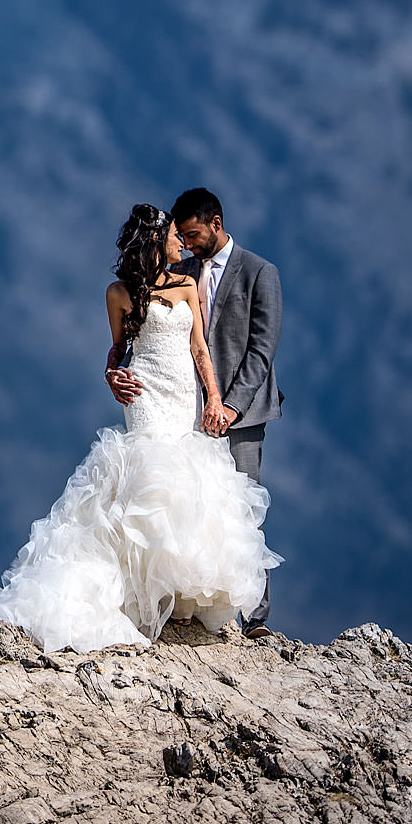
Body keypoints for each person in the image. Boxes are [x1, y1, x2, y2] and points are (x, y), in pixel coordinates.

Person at [0, 204, 277, 651]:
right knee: (150, 474)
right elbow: (117, 350)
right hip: (145, 393)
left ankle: (178, 594)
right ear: (153, 243)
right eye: (173, 235)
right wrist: (112, 375)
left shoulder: (188, 285)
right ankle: (139, 593)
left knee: (187, 478)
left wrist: (212, 396)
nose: (181, 243)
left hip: (181, 393)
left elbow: (201, 351)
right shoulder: (118, 293)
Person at [167, 185, 283, 631]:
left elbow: (262, 348)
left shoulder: (259, 272)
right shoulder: (182, 272)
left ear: (216, 223)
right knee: (195, 504)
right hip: (190, 408)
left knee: (244, 509)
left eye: (194, 234)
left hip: (244, 413)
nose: (189, 243)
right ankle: (200, 607)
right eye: (183, 236)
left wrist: (231, 405)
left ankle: (255, 615)